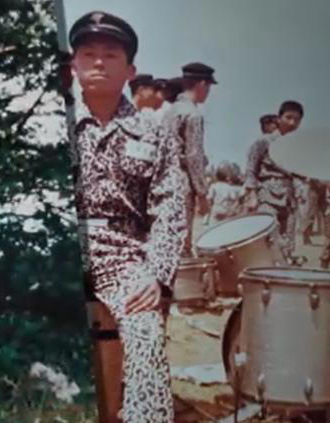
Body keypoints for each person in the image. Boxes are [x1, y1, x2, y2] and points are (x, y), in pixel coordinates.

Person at [68, 11, 187, 422]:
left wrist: (156, 273)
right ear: (74, 64)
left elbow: (170, 205)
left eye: (111, 54)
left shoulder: (153, 132)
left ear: (130, 71)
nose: (99, 62)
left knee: (145, 330)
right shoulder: (52, 126)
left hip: (124, 256)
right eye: (88, 53)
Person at [163, 62, 216, 256]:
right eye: (208, 86)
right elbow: (194, 157)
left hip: (164, 182)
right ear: (202, 84)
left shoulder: (171, 111)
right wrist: (202, 194)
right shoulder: (193, 114)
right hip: (182, 183)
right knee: (182, 245)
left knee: (168, 240)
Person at [244, 100, 306, 265]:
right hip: (267, 195)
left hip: (289, 199)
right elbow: (251, 168)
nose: (292, 123)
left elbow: (299, 173)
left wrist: (300, 188)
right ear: (279, 119)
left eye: (297, 120)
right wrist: (251, 194)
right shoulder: (264, 141)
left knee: (288, 242)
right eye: (288, 117)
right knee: (269, 238)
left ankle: (283, 272)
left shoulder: (297, 146)